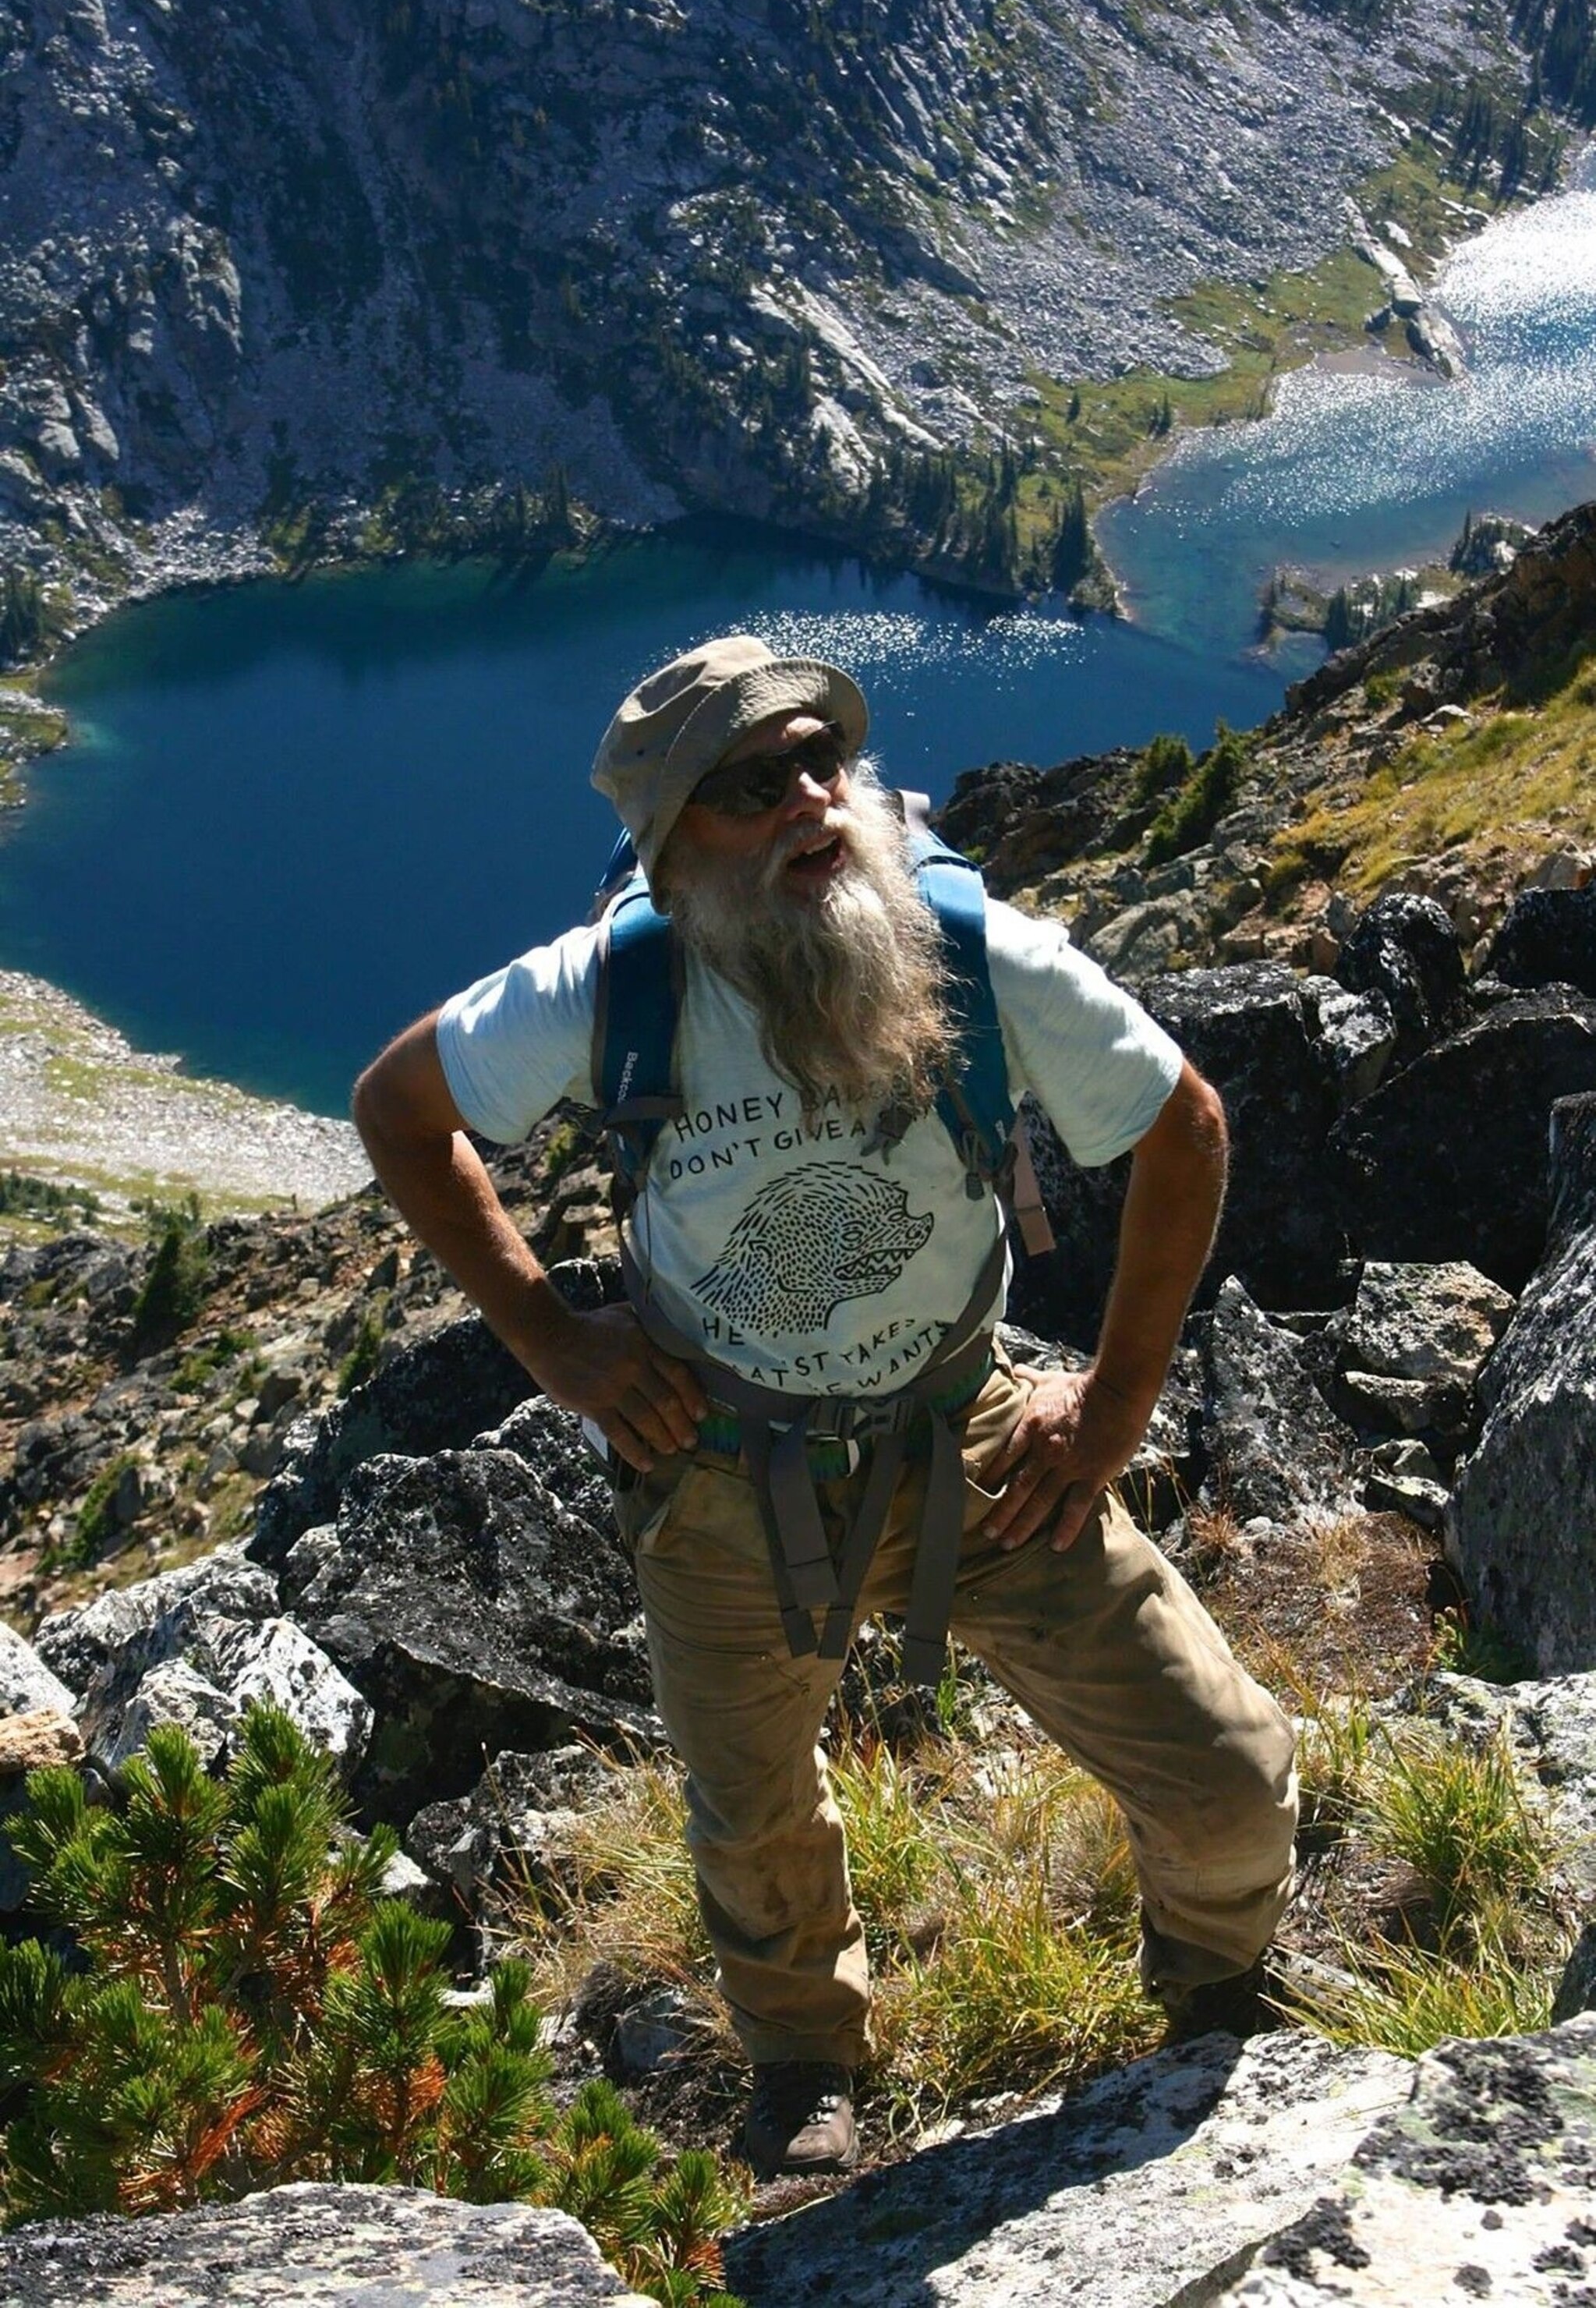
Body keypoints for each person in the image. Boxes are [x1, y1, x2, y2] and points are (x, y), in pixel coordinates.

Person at [352, 635, 1297, 2179]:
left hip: (974, 1439)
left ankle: (1209, 1981)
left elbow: (1182, 1126)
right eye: (748, 783)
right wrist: (551, 1340)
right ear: (673, 841)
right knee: (752, 1820)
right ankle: (803, 2065)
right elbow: (401, 1109)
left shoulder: (963, 949)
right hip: (719, 1466)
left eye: (820, 760)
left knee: (1230, 1782)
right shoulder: (615, 988)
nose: (805, 799)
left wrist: (1115, 1406)